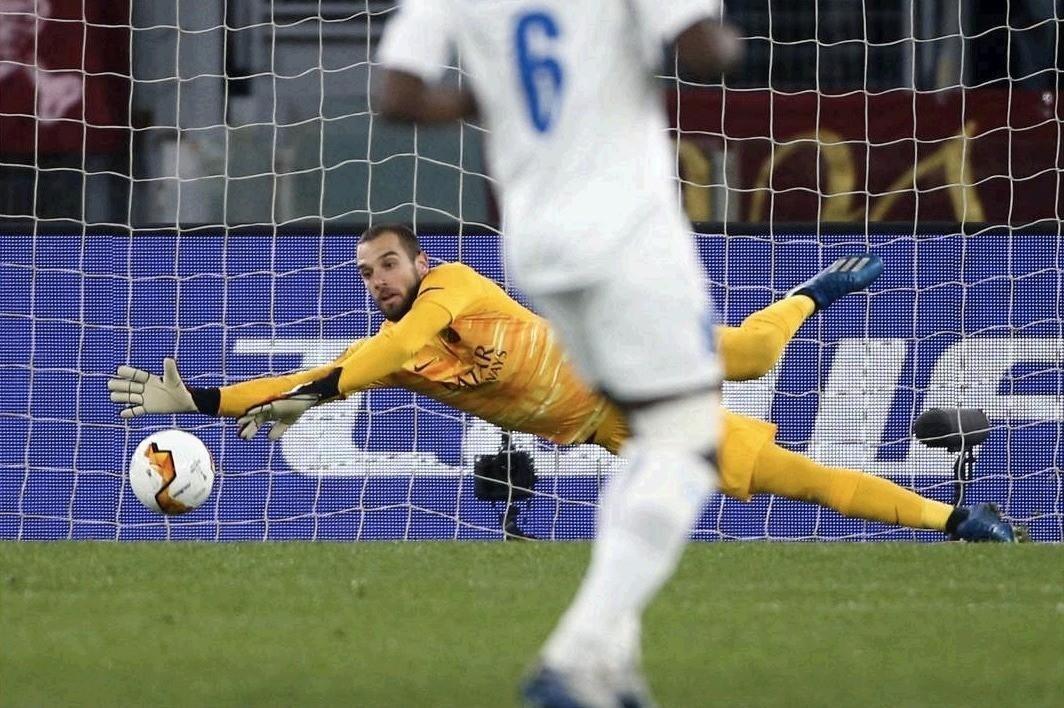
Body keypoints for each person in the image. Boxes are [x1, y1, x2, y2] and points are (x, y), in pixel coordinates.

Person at [109, 227, 1021, 701]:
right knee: (788, 475)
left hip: (615, 352)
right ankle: (959, 523)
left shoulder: (451, 290)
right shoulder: (401, 358)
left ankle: (813, 291)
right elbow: (312, 374)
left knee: (749, 355)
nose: (378, 282)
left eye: (387, 265)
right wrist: (204, 402)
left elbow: (367, 364)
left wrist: (329, 388)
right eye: (366, 274)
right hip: (617, 430)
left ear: (419, 263)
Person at [371, 2, 743, 703]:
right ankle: (575, 655)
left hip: (534, 240)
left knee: (645, 441)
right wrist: (724, 37)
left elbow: (395, 93)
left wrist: (487, 94)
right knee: (688, 441)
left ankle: (611, 664)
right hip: (627, 233)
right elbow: (703, 52)